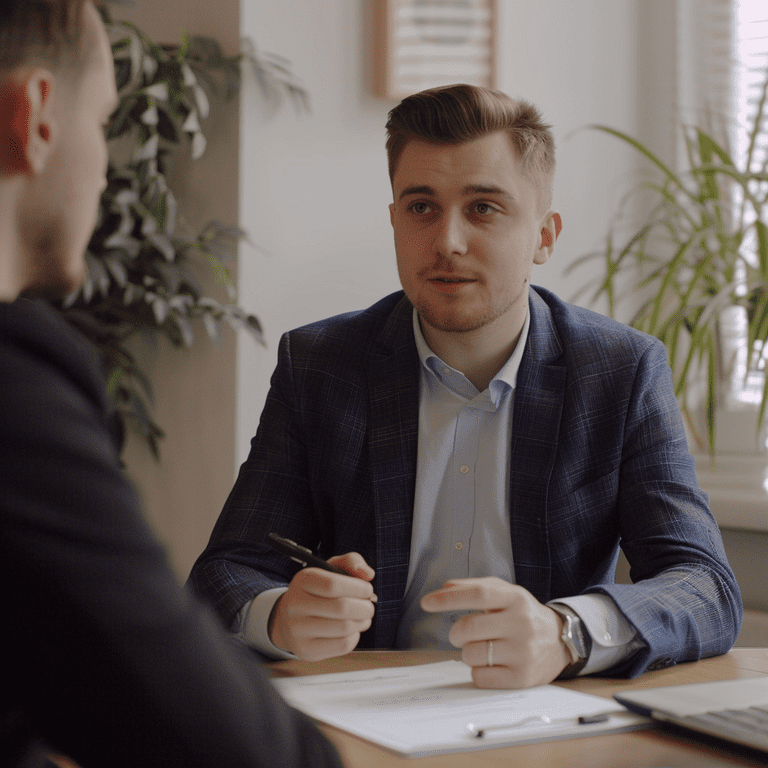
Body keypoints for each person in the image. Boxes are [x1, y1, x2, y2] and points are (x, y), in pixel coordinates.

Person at [188, 84, 743, 690]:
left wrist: (565, 632)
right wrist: (280, 616)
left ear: (544, 236)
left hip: (544, 712)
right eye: (421, 207)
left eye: (483, 208)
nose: (447, 241)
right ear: (395, 221)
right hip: (364, 707)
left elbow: (704, 585)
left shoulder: (620, 370)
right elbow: (226, 572)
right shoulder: (320, 365)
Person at [0, 2, 344, 766]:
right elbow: (215, 737)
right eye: (103, 124)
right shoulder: (17, 396)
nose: (105, 169)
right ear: (37, 117)